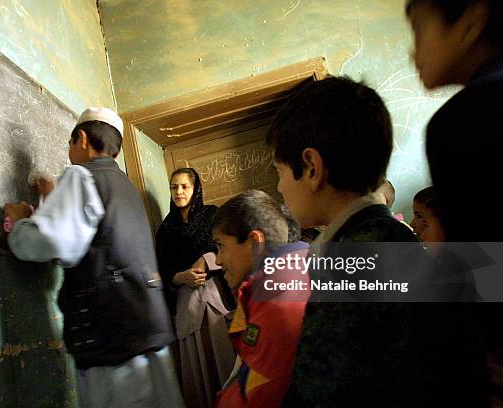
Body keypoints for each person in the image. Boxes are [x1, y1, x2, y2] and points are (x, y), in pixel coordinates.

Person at [266, 76, 481, 406]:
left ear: (311, 167)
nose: (279, 188)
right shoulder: (388, 238)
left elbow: (322, 393)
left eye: (279, 172)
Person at [3, 107, 183, 408]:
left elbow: (54, 241)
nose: (70, 152)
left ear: (83, 139)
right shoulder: (125, 186)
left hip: (113, 338)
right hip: (149, 329)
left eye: (70, 144)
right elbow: (99, 234)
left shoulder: (80, 176)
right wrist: (55, 199)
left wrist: (21, 222)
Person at [407, 0, 503, 403]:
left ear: (470, 23)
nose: (413, 52)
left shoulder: (462, 122)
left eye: (420, 31)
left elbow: (483, 269)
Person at [212, 190, 309, 408]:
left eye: (221, 245)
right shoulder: (295, 269)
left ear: (255, 242)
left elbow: (258, 397)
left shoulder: (276, 306)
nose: (217, 259)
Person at [155, 168, 235, 408]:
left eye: (184, 186)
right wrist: (180, 277)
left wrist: (207, 259)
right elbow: (161, 268)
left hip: (215, 297)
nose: (178, 192)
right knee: (197, 370)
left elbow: (228, 247)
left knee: (224, 360)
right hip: (185, 304)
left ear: (196, 189)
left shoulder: (213, 215)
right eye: (174, 187)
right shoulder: (166, 229)